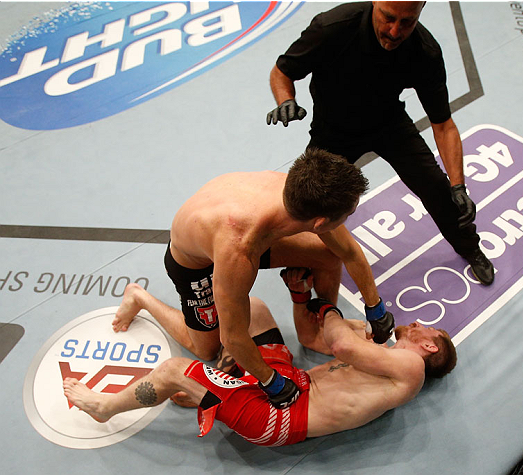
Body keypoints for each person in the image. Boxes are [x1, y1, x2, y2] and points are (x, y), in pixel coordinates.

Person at [111, 149, 394, 409]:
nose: (349, 219)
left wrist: (375, 307)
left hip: (245, 226)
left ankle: (317, 325)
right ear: (320, 223)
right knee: (207, 348)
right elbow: (233, 337)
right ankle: (140, 297)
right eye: (348, 215)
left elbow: (348, 252)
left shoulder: (300, 190)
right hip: (195, 261)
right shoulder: (238, 250)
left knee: (326, 254)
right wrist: (272, 381)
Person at [266, 1, 494, 286]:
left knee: (438, 187)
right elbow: (282, 72)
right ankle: (304, 258)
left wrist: (458, 186)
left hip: (389, 125)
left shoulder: (424, 52)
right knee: (309, 198)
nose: (395, 31)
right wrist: (286, 100)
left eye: (407, 22)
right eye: (388, 18)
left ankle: (469, 247)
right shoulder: (332, 27)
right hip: (333, 130)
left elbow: (444, 125)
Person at [64, 285, 457, 447]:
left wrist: (331, 309)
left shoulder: (411, 369)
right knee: (251, 307)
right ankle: (220, 380)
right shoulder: (385, 357)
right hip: (288, 383)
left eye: (427, 328)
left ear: (427, 346)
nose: (418, 323)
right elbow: (315, 339)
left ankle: (104, 408)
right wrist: (301, 293)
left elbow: (336, 340)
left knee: (171, 371)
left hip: (279, 416)